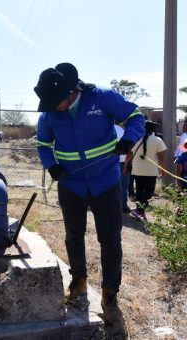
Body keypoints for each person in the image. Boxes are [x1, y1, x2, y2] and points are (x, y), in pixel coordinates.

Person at [34, 63, 145, 336]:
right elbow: (43, 144)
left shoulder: (102, 98)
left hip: (106, 182)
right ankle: (79, 282)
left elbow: (136, 116)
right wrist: (52, 166)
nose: (52, 108)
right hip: (71, 185)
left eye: (55, 102)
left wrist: (128, 139)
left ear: (72, 93)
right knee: (74, 235)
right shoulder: (49, 114)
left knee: (110, 239)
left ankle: (110, 294)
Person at [124, 120, 167, 221]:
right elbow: (161, 158)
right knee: (149, 192)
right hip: (151, 170)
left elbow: (129, 155)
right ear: (153, 130)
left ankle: (139, 211)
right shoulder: (158, 140)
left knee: (139, 190)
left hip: (137, 170)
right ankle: (141, 211)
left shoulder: (136, 140)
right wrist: (163, 169)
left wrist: (126, 167)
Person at [115, 124, 131, 213]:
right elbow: (129, 150)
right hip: (123, 161)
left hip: (110, 161)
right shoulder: (123, 132)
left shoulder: (107, 130)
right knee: (124, 185)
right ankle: (123, 206)